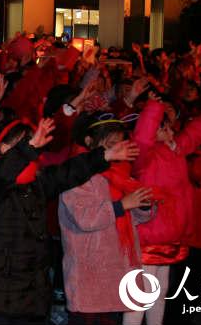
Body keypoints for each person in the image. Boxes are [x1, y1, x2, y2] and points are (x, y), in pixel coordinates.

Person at [0, 118, 139, 325]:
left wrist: (105, 155)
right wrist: (28, 148)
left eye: (34, 144)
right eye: (25, 145)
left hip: (31, 297)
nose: (33, 150)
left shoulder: (38, 183)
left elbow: (69, 171)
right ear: (4, 148)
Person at [124, 86, 201, 325]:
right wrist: (153, 109)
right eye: (162, 127)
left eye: (167, 125)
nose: (169, 130)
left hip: (170, 236)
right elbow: (142, 137)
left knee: (161, 291)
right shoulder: (143, 156)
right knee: (141, 295)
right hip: (148, 237)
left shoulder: (176, 150)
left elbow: (199, 130)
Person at [59, 118, 154, 325]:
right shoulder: (77, 172)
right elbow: (85, 219)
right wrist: (122, 205)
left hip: (116, 268)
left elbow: (134, 218)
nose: (117, 151)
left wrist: (143, 204)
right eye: (110, 145)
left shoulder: (121, 173)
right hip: (89, 270)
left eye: (120, 144)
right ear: (89, 140)